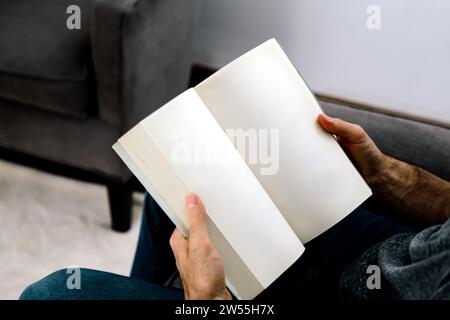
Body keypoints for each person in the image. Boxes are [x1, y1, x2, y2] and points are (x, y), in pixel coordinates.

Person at [20, 115, 450, 300]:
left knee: (52, 294)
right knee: (182, 182)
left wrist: (208, 302)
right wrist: (392, 176)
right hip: (400, 247)